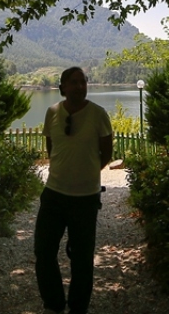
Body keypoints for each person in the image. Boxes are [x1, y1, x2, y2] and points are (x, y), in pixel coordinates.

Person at [34, 66, 113, 314]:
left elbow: (106, 153)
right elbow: (51, 148)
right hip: (54, 194)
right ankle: (54, 304)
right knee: (44, 251)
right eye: (74, 82)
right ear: (63, 87)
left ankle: (78, 308)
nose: (80, 86)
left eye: (83, 82)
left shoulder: (98, 114)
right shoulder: (52, 112)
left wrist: (85, 173)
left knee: (81, 259)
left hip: (85, 199)